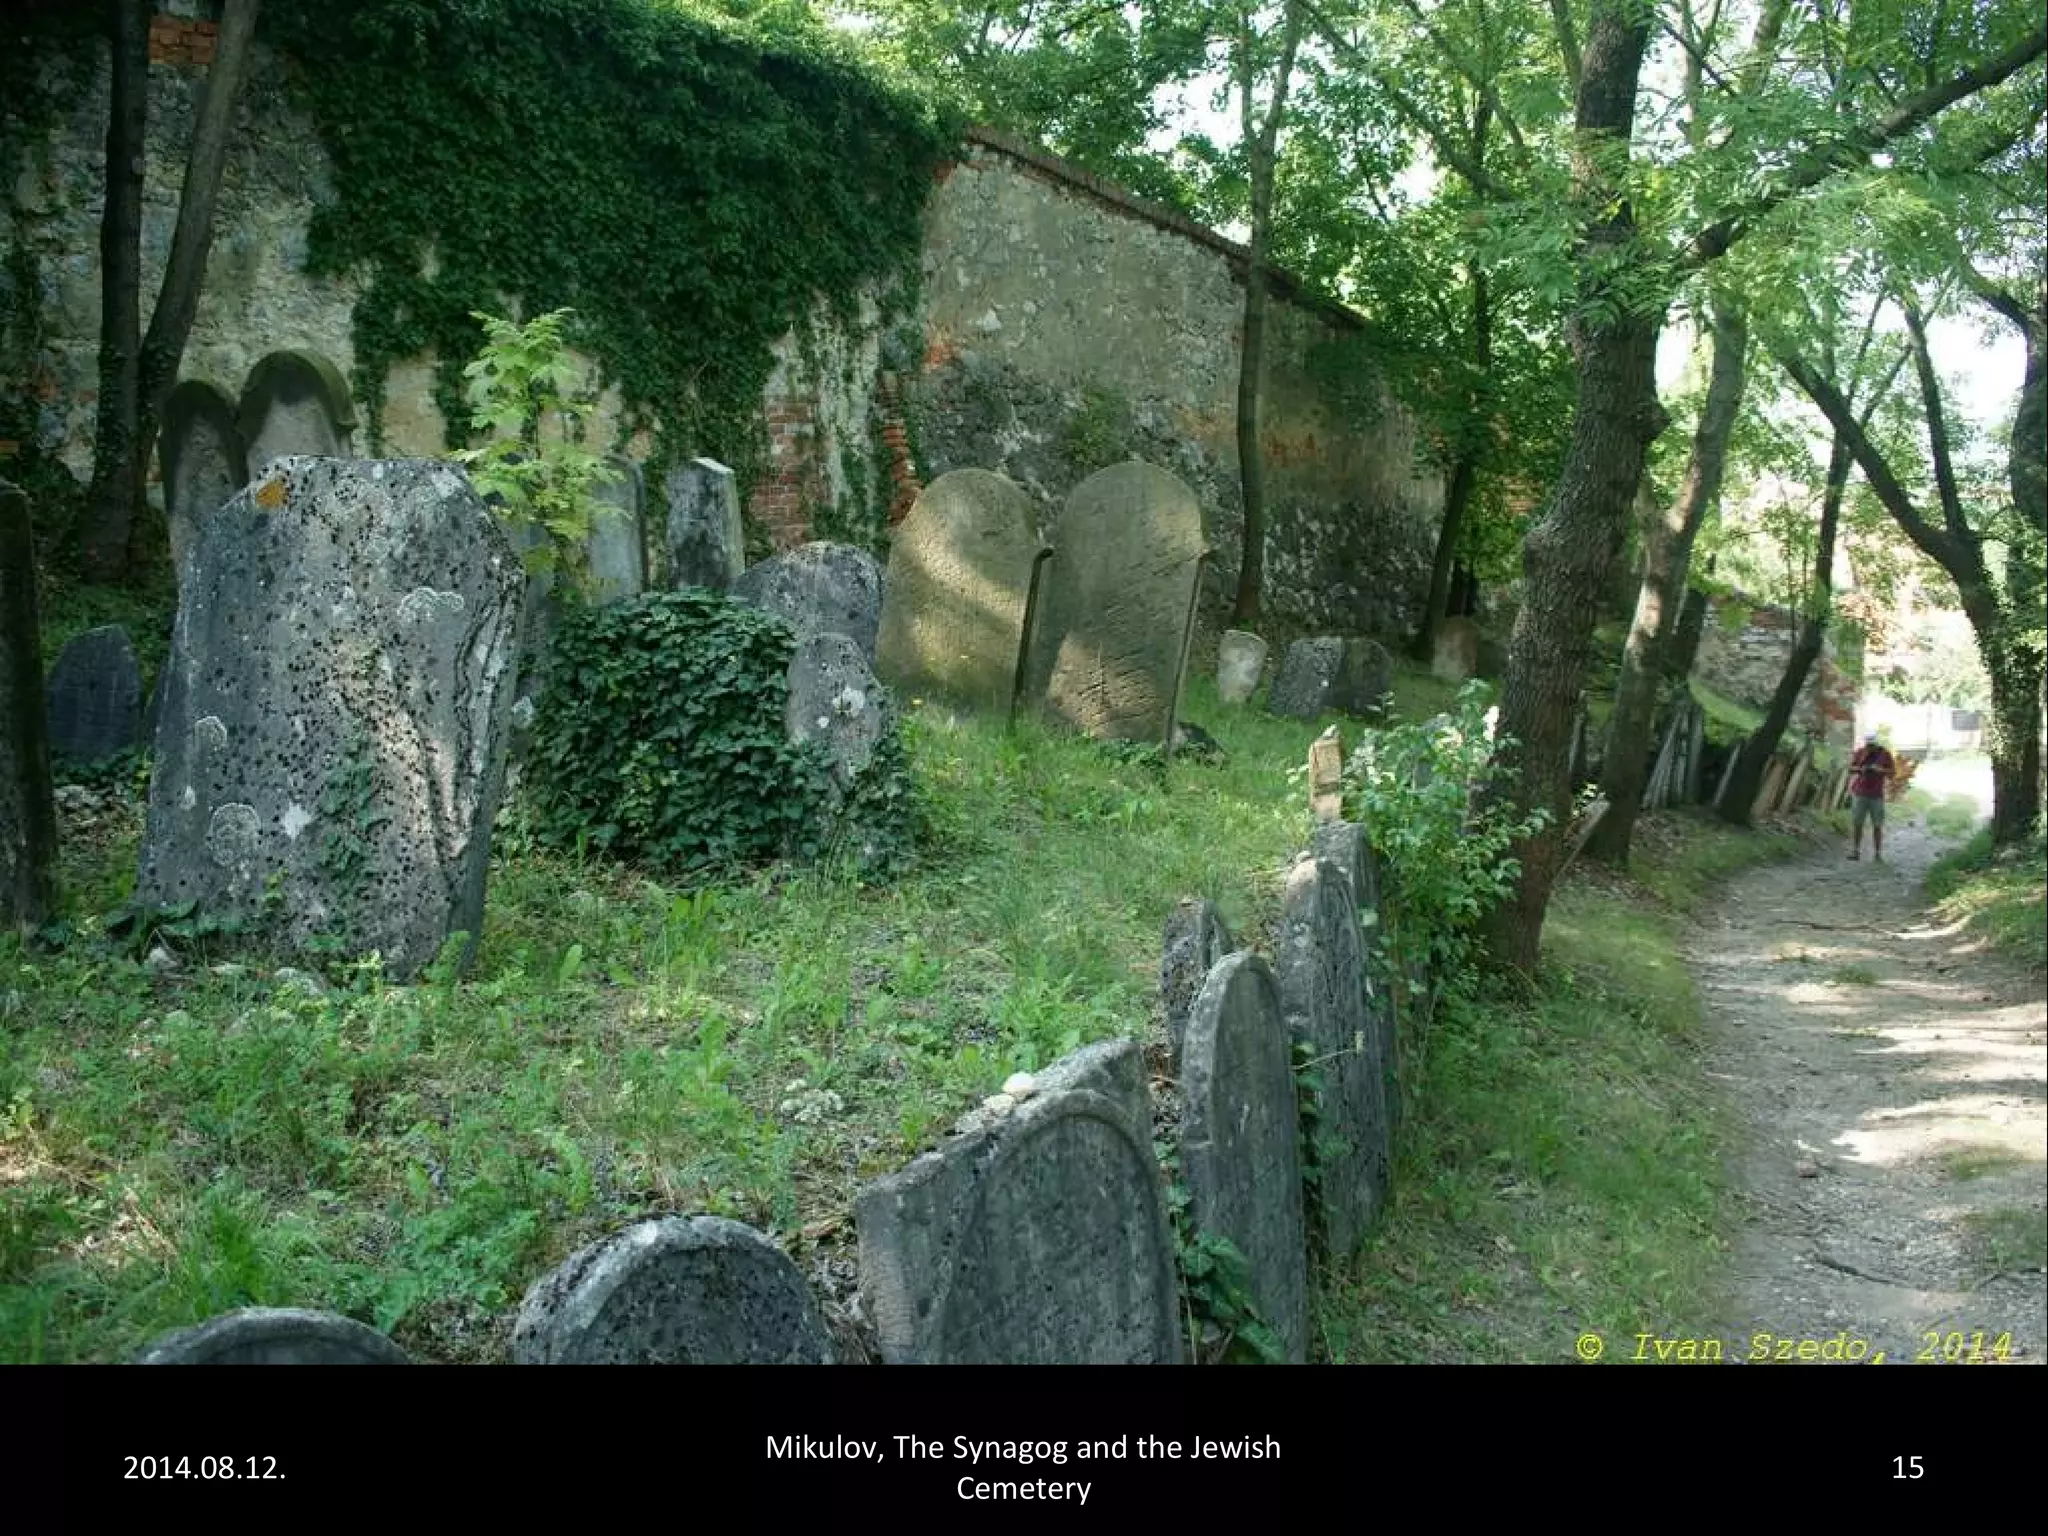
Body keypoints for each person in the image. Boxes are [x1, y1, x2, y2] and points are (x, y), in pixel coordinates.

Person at [1848, 732, 1896, 861]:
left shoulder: (1885, 754)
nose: (1870, 746)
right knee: (1857, 823)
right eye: (1868, 744)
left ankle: (1878, 853)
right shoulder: (1860, 752)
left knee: (1877, 825)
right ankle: (1856, 851)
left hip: (1876, 794)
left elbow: (1892, 773)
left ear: (1876, 743)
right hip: (1860, 792)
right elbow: (1851, 768)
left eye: (1872, 744)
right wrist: (1861, 769)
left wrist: (1880, 770)